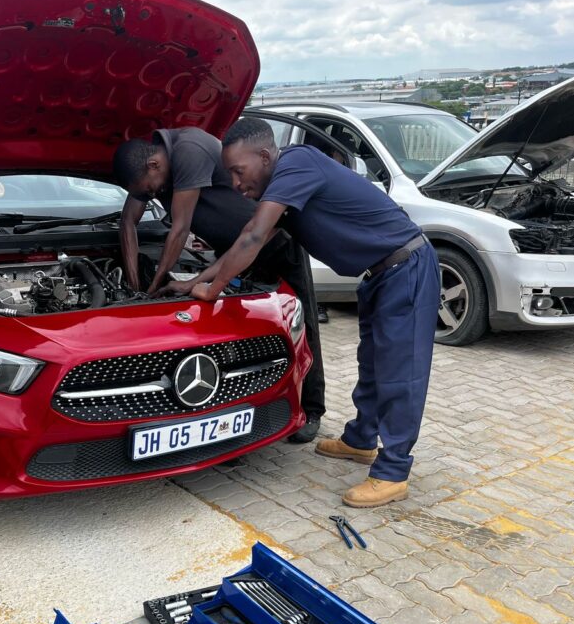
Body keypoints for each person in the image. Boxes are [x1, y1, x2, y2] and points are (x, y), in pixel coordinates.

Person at [170, 118, 440, 509]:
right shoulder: (284, 186)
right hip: (380, 275)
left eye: (239, 171)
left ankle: (393, 471)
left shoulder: (297, 164)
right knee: (372, 364)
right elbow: (249, 238)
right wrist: (196, 280)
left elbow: (253, 236)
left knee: (400, 372)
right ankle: (361, 439)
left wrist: (211, 291)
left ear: (265, 157)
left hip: (406, 268)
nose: (235, 183)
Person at [113, 128, 325, 442]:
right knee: (233, 334)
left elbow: (180, 228)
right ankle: (231, 415)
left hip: (274, 244)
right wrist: (134, 286)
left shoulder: (188, 149)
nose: (150, 196)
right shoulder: (145, 169)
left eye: (149, 190)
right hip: (230, 255)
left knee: (300, 324)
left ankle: (312, 409)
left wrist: (153, 289)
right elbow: (128, 222)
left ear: (154, 165)